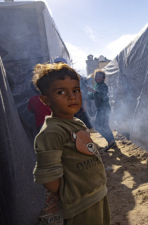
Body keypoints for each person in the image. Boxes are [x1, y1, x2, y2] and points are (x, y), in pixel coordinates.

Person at [32, 63, 110, 224]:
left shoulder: (77, 123)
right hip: (81, 204)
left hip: (97, 194)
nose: (72, 96)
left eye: (76, 90)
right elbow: (49, 176)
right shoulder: (52, 132)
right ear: (45, 100)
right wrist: (63, 194)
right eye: (61, 92)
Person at [87, 69, 116, 151]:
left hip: (104, 109)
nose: (97, 78)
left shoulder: (103, 86)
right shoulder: (97, 86)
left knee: (97, 126)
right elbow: (93, 96)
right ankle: (112, 141)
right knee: (105, 125)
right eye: (96, 76)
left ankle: (110, 141)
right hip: (102, 109)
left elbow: (101, 95)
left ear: (103, 78)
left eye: (99, 77)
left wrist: (93, 91)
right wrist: (85, 95)